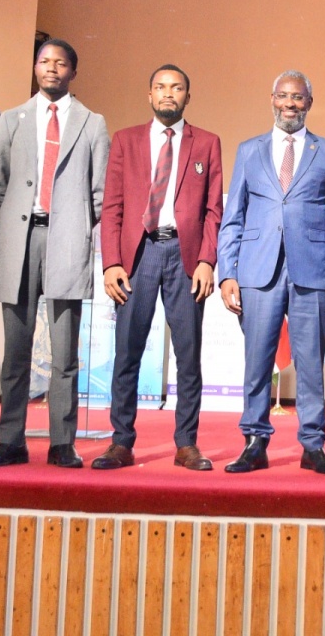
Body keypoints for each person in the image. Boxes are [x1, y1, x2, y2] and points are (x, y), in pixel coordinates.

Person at [0, 39, 110, 469]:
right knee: (15, 352)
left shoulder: (92, 123)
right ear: (35, 68)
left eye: (61, 63)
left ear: (73, 71)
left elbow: (100, 190)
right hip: (20, 240)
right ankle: (10, 441)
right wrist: (23, 217)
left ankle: (62, 443)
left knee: (64, 353)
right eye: (45, 61)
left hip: (67, 242)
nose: (52, 68)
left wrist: (71, 224)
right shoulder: (11, 119)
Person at [218, 70, 325, 475]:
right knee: (257, 361)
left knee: (311, 363)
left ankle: (313, 445)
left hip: (313, 273)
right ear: (272, 99)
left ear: (309, 103)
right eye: (283, 96)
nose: (290, 104)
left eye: (298, 97)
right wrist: (228, 272)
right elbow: (233, 216)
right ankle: (254, 442)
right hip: (256, 271)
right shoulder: (249, 150)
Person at [94, 64, 222, 470]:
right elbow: (112, 206)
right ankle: (121, 442)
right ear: (149, 95)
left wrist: (207, 260)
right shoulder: (126, 140)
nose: (168, 94)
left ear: (188, 96)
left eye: (176, 87)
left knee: (189, 355)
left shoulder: (207, 143)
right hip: (139, 255)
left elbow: (214, 210)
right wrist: (111, 263)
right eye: (160, 87)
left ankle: (186, 444)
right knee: (126, 353)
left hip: (185, 258)